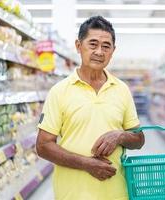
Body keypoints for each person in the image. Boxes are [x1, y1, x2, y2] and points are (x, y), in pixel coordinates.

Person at [36, 16, 145, 200]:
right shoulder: (59, 91)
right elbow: (43, 145)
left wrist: (120, 135)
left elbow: (139, 139)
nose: (99, 52)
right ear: (79, 46)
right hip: (72, 194)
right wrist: (87, 164)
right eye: (92, 44)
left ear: (113, 51)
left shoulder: (121, 89)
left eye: (106, 46)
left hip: (116, 193)